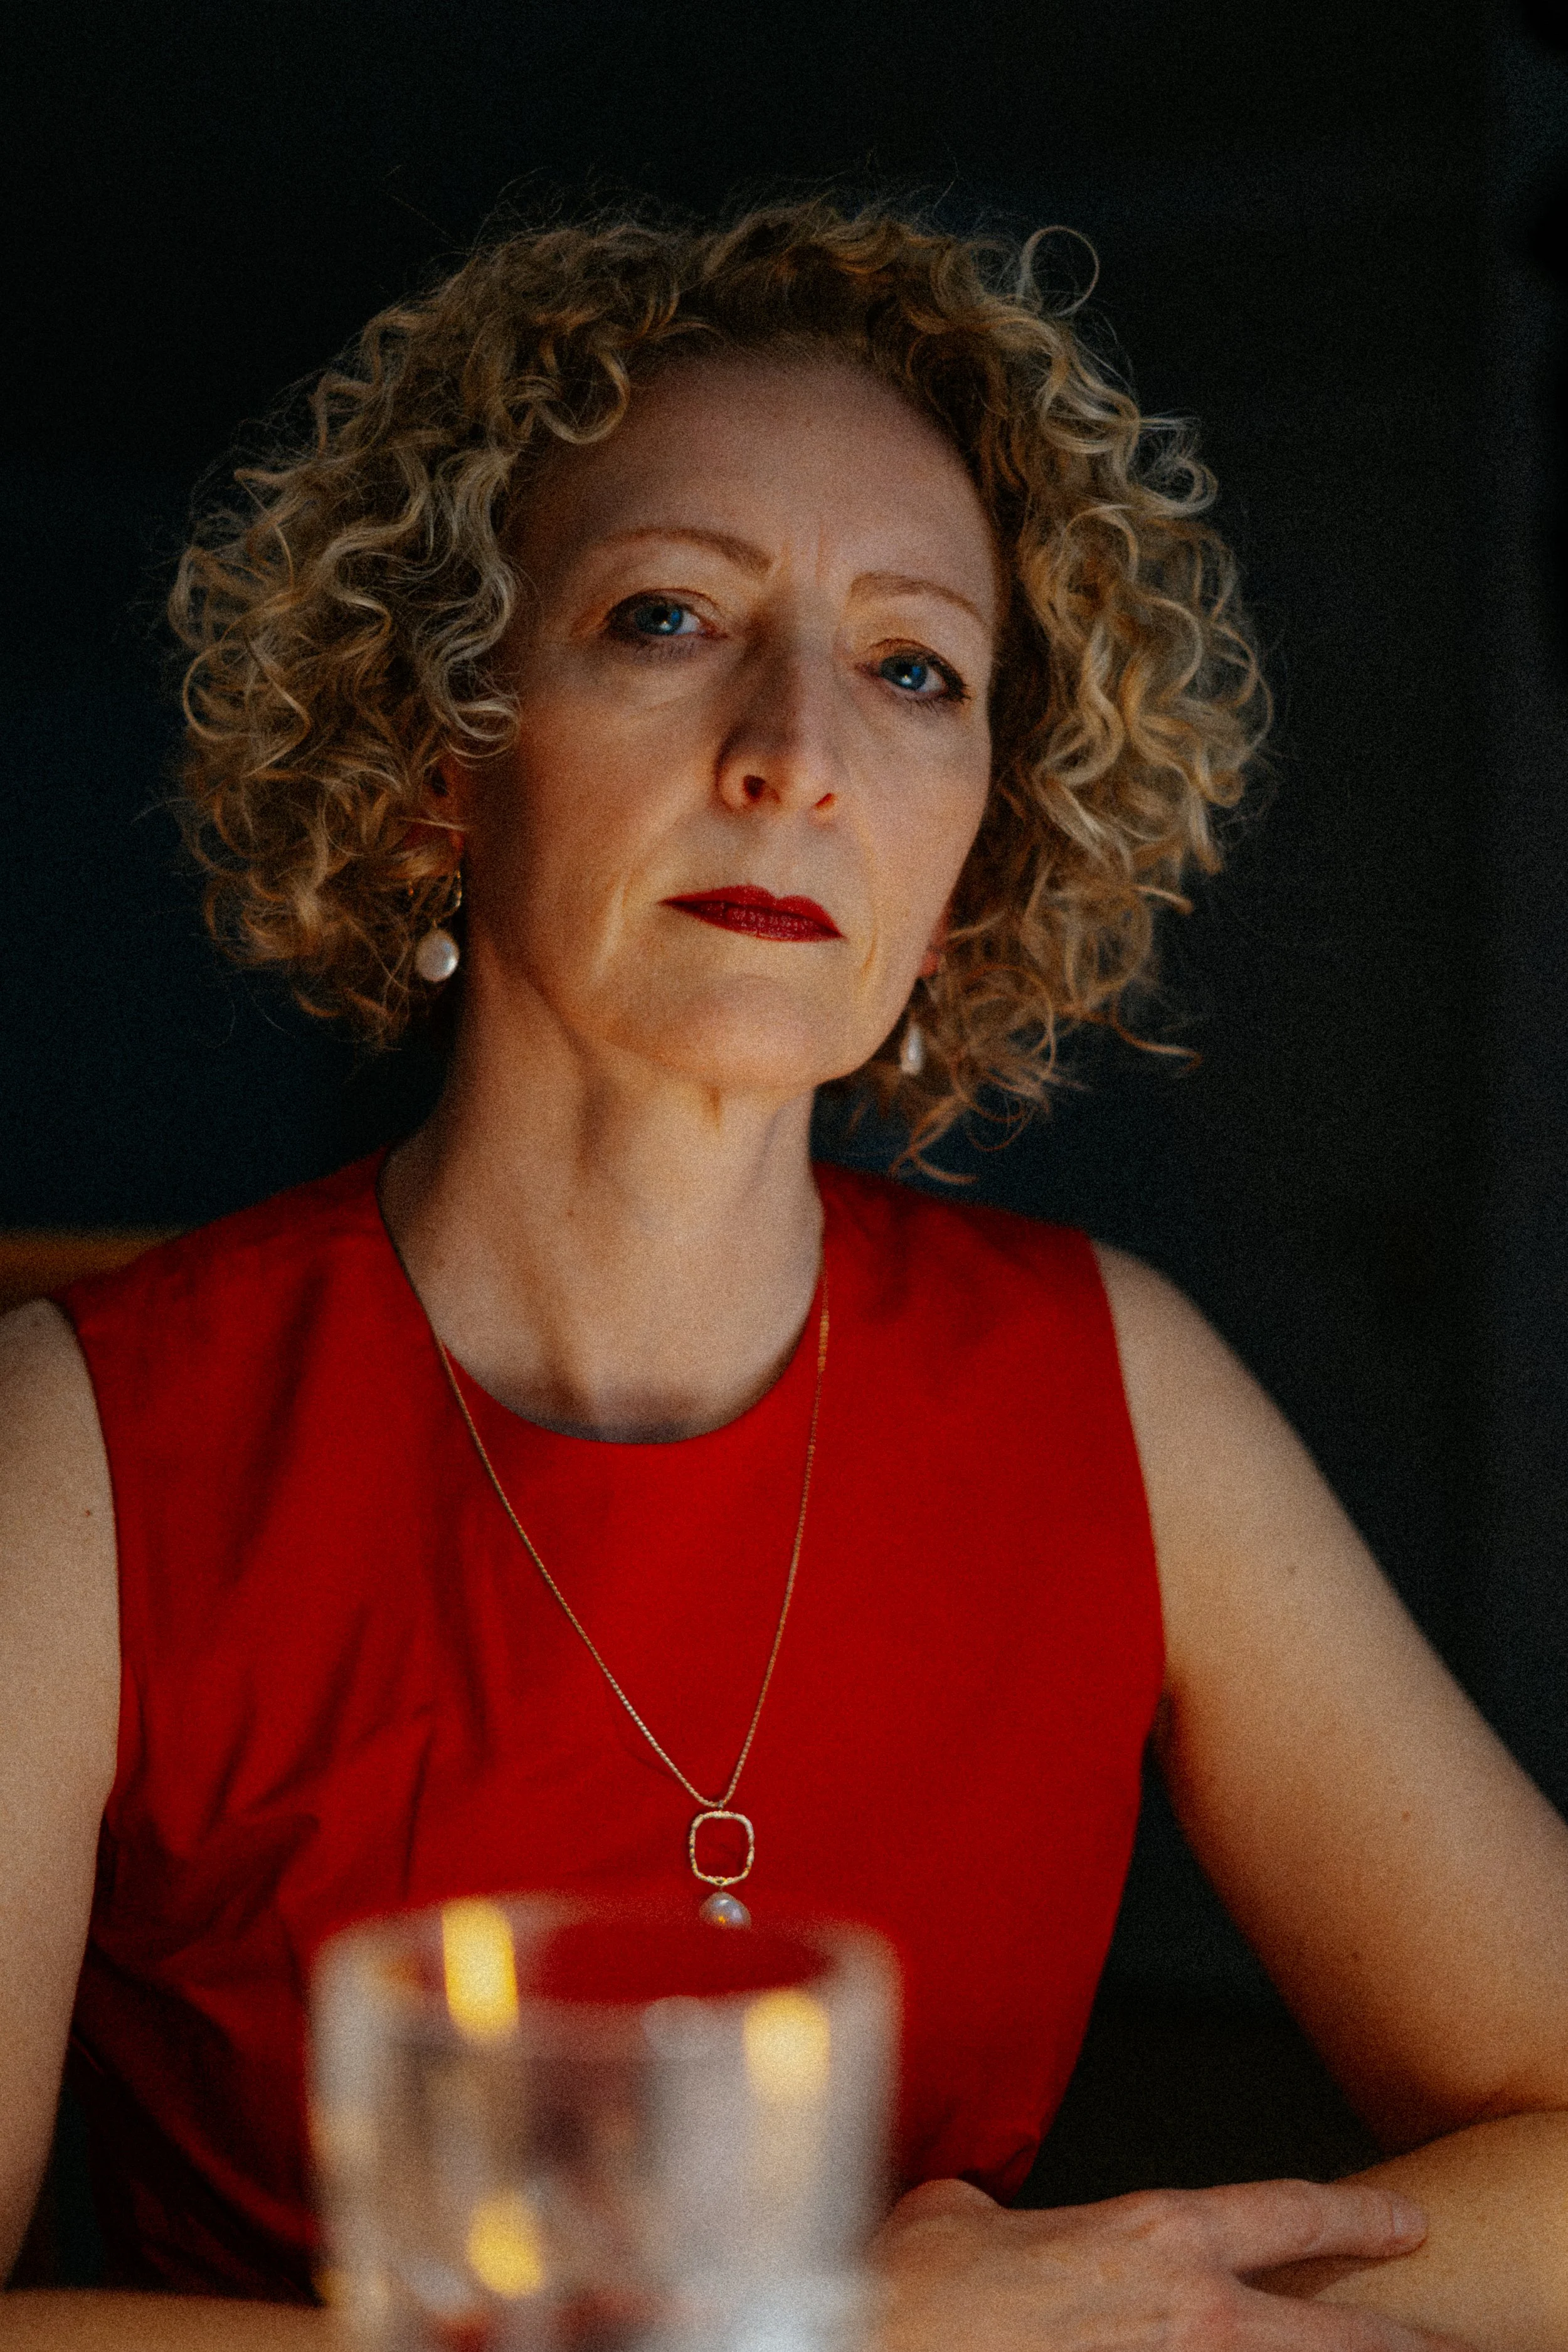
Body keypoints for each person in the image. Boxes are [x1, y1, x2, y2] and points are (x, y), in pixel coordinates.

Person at [2, 199, 1566, 2352]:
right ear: (442, 751)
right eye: (665, 617)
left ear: (977, 849)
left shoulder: (1113, 1380)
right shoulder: (77, 1441)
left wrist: (1087, 2314)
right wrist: (806, 2333)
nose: (798, 752)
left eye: (913, 667)